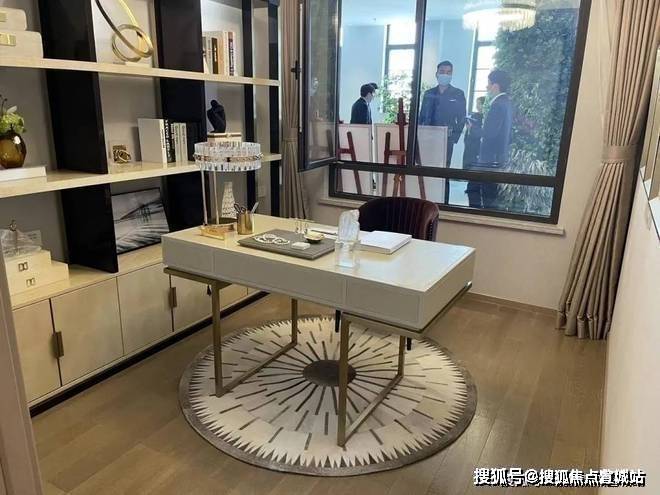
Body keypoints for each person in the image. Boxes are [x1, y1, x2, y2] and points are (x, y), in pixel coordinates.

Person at [466, 69, 513, 209]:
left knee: (478, 189)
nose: (487, 87)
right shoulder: (507, 102)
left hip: (489, 158)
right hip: (497, 156)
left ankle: (476, 215)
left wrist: (472, 128)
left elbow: (490, 133)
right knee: (487, 191)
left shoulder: (497, 105)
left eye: (489, 83)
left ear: (495, 86)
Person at [418, 60, 466, 165]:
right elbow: (422, 115)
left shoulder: (458, 94)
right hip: (428, 137)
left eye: (448, 72)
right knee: (426, 165)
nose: (445, 75)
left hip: (447, 138)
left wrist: (454, 137)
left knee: (443, 167)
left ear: (451, 75)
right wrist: (420, 134)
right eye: (442, 71)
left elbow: (462, 118)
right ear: (437, 74)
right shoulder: (429, 93)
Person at [462, 96, 485, 168]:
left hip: (477, 146)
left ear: (484, 105)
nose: (477, 106)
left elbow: (481, 132)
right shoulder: (474, 115)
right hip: (469, 145)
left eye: (479, 103)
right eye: (476, 103)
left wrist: (472, 128)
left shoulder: (485, 117)